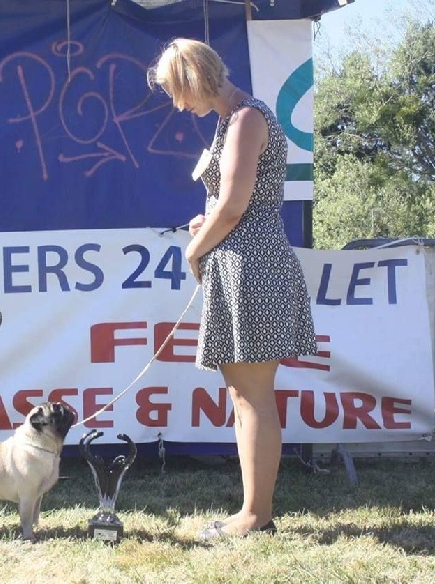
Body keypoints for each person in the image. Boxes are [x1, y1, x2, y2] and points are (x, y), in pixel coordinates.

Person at [147, 39, 317, 539]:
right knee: (243, 394)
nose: (179, 106)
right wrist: (209, 222)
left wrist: (194, 247)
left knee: (254, 395)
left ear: (195, 79)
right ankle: (253, 512)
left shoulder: (247, 119)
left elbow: (237, 206)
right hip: (242, 261)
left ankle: (256, 517)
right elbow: (231, 202)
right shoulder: (232, 121)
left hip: (253, 265)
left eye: (178, 93)